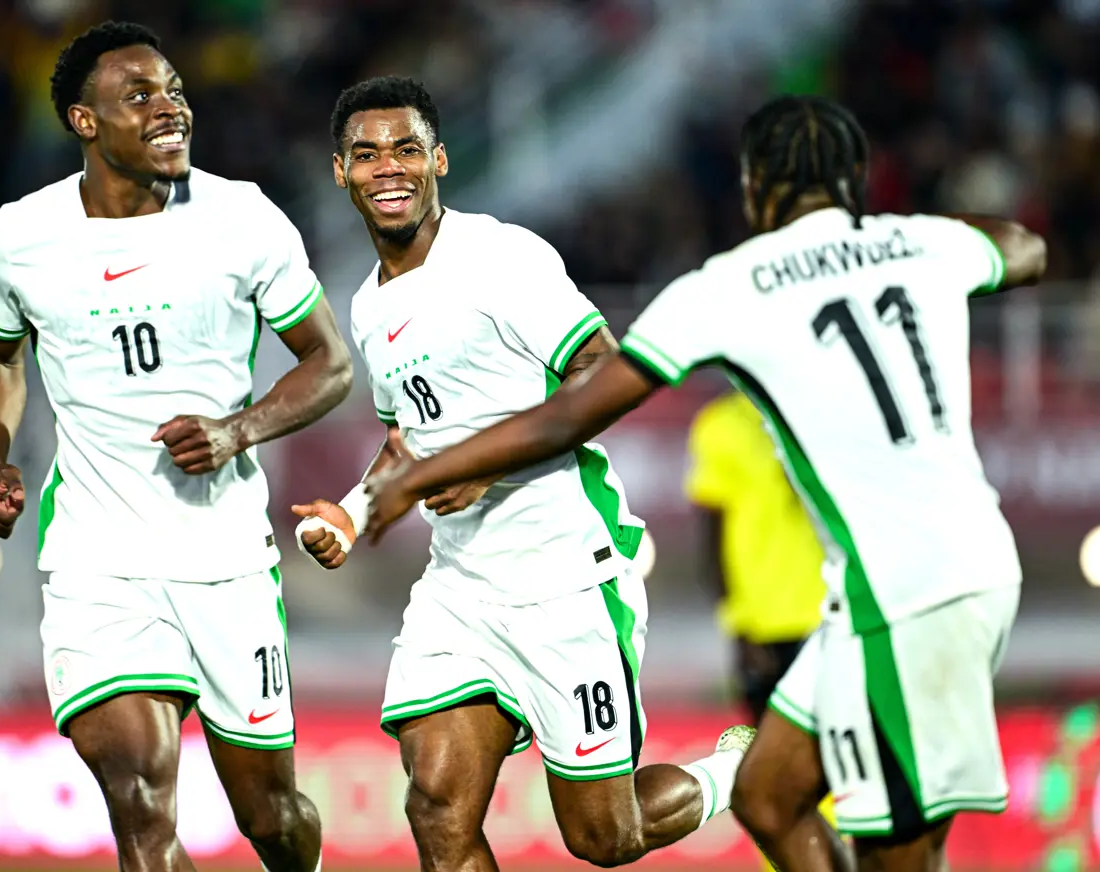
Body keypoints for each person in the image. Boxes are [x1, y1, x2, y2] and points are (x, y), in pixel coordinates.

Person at [362, 94, 1047, 872]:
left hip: (906, 593)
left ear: (753, 188)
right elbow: (1022, 248)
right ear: (856, 183)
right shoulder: (915, 245)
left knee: (897, 851)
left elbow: (572, 411)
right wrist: (906, 238)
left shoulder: (734, 284)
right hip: (939, 567)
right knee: (768, 793)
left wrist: (434, 472)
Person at [291, 75, 754, 872]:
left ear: (439, 158)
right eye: (366, 155)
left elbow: (603, 373)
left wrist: (484, 464)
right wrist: (354, 514)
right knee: (436, 800)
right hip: (461, 586)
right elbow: (408, 439)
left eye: (406, 149)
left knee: (604, 837)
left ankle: (739, 769)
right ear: (341, 172)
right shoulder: (367, 305)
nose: (388, 168)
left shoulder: (499, 257)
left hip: (564, 575)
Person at [0, 21, 350, 872]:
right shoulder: (19, 240)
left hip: (225, 560)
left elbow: (330, 364)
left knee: (273, 818)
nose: (170, 107)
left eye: (174, 90)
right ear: (84, 122)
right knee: (140, 798)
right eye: (139, 95)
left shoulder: (242, 219)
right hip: (97, 562)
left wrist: (236, 429)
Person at [685, 389, 837, 870]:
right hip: (762, 629)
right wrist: (736, 624)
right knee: (768, 773)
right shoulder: (720, 424)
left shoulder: (821, 413)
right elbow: (712, 528)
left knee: (837, 763)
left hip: (830, 620)